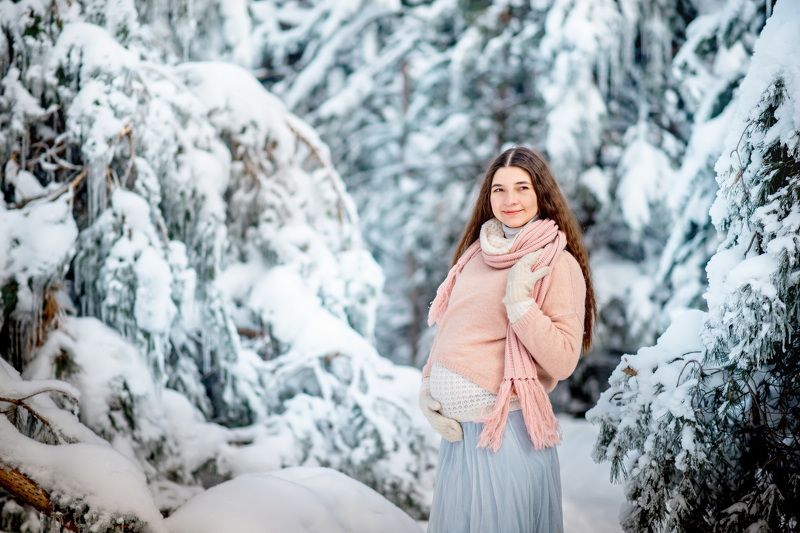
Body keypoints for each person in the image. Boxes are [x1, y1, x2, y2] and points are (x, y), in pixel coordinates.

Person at [419, 146, 596, 532]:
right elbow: (453, 326)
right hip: (460, 438)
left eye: (522, 188)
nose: (509, 199)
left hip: (506, 436)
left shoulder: (556, 264)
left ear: (541, 194)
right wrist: (429, 384)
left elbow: (564, 359)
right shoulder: (476, 255)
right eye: (499, 189)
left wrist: (520, 304)